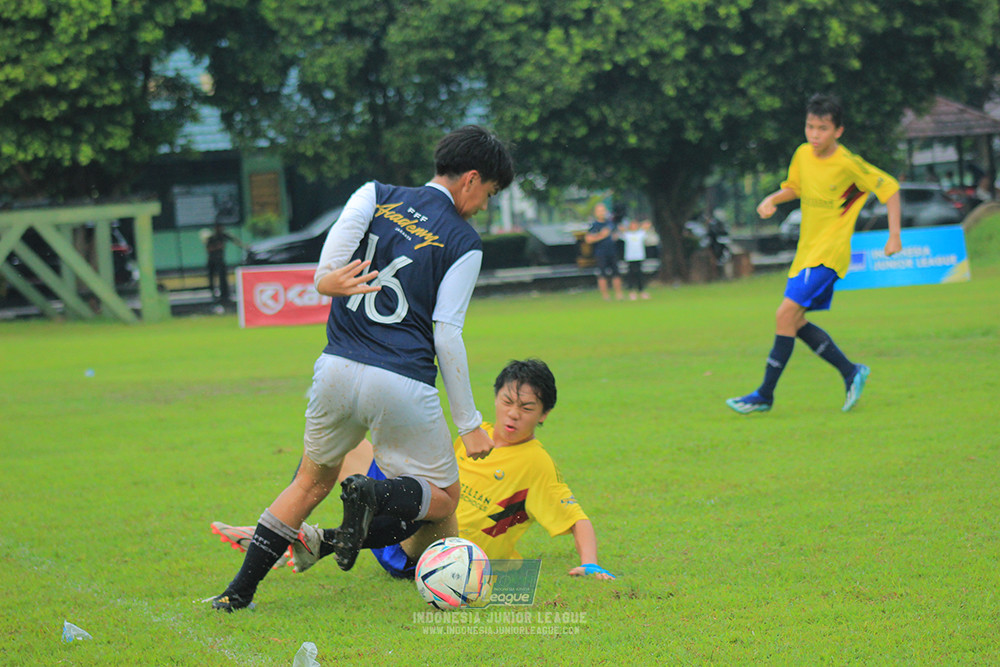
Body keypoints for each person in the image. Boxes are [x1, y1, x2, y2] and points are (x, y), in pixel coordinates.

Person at [210, 125, 515, 612]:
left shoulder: (375, 194)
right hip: (401, 381)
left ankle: (237, 593)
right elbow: (446, 334)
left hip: (335, 367)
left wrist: (325, 283)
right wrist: (470, 424)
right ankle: (372, 497)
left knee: (309, 483)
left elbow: (326, 274)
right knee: (443, 498)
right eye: (490, 194)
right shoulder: (464, 240)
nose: (482, 206)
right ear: (472, 179)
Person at [211, 359, 615, 582]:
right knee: (336, 446)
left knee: (434, 501)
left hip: (435, 555)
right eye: (508, 402)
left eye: (527, 408)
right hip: (401, 529)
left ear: (544, 415)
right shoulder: (476, 435)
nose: (513, 414)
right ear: (495, 398)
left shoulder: (536, 463)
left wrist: (591, 562)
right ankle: (282, 533)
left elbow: (577, 519)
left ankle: (306, 540)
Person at [726, 93, 901, 415]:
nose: (815, 134)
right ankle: (850, 371)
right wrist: (772, 199)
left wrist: (894, 237)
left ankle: (764, 394)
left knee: (784, 315)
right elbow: (796, 187)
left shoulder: (847, 163)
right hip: (806, 253)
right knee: (794, 320)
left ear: (838, 131)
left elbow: (889, 188)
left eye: (822, 128)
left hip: (829, 255)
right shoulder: (803, 154)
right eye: (810, 127)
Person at [584, 203, 623, 300]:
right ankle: (605, 296)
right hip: (600, 253)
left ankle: (619, 294)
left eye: (603, 210)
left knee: (616, 273)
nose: (601, 213)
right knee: (602, 274)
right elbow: (588, 239)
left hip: (612, 251)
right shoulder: (594, 225)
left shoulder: (610, 223)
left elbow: (616, 234)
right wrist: (601, 235)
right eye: (599, 211)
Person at [204, 223, 244, 305]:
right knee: (212, 278)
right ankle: (213, 293)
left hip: (220, 260)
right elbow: (208, 248)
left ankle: (225, 294)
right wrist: (217, 246)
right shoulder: (212, 237)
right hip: (212, 260)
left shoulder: (223, 235)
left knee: (223, 278)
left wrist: (243, 246)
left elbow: (234, 240)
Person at [621, 218, 652, 300]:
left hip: (639, 257)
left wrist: (644, 225)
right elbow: (621, 230)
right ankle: (631, 291)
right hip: (630, 257)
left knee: (639, 274)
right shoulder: (627, 234)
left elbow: (647, 226)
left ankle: (641, 291)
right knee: (631, 274)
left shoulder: (640, 234)